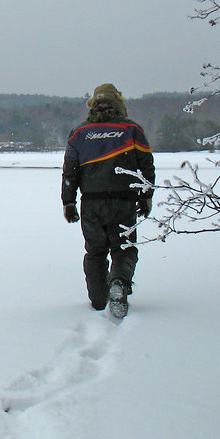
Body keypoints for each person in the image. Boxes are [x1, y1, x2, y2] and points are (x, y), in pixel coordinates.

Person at [61, 83, 155, 318]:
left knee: (95, 252)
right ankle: (119, 283)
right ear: (118, 104)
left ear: (93, 105)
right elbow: (147, 166)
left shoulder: (79, 133)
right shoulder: (132, 130)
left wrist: (69, 202)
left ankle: (98, 300)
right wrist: (146, 196)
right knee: (124, 249)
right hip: (124, 201)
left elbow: (70, 171)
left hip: (91, 203)